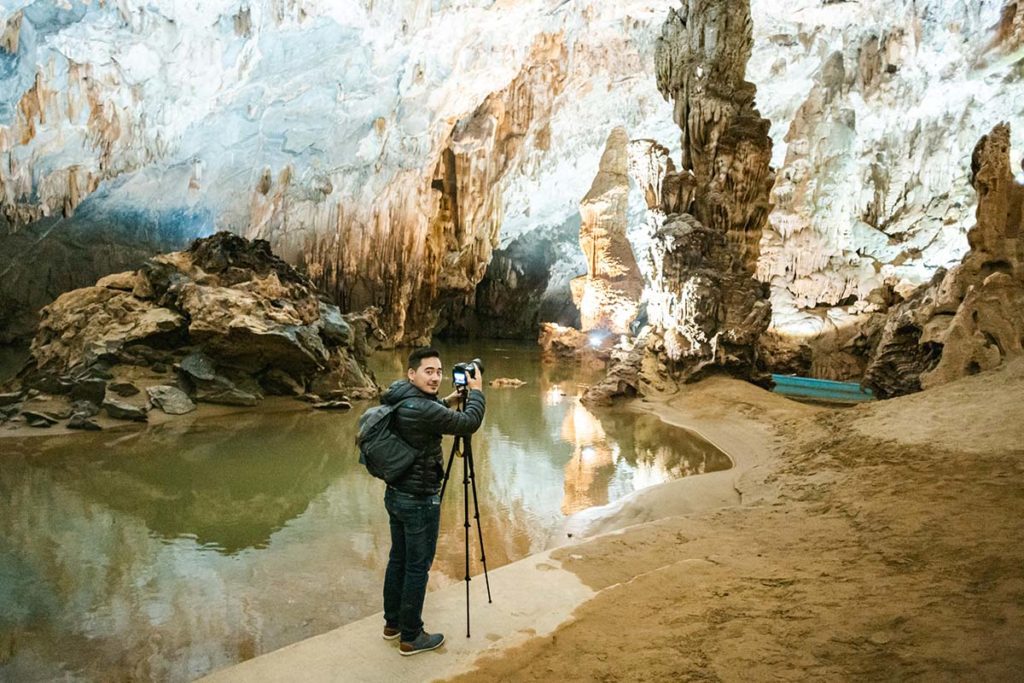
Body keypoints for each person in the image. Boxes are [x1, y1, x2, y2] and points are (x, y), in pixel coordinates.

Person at [379, 347, 485, 656]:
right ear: (412, 374)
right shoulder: (423, 409)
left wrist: (449, 400)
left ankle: (393, 623)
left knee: (398, 558)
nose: (436, 376)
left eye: (439, 371)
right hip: (419, 500)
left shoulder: (399, 397)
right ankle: (412, 636)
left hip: (396, 494)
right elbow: (468, 423)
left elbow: (424, 411)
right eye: (429, 371)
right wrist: (476, 393)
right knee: (417, 567)